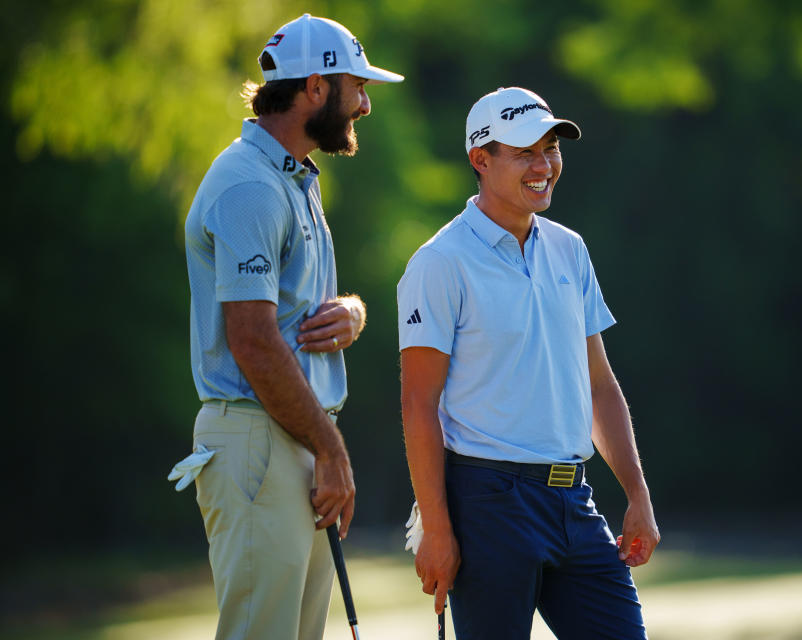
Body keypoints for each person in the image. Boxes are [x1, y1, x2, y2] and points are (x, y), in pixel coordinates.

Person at [397, 87, 660, 639]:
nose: (544, 166)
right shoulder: (440, 262)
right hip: (486, 502)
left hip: (573, 497)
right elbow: (419, 405)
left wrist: (637, 495)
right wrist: (438, 530)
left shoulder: (570, 249)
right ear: (480, 159)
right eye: (524, 153)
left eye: (551, 149)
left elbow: (599, 386)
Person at [179, 14, 402, 640]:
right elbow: (252, 341)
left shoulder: (292, 178)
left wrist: (351, 312)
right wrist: (332, 452)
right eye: (356, 87)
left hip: (293, 434)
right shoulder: (249, 184)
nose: (363, 104)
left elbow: (291, 311)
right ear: (314, 88)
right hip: (257, 436)